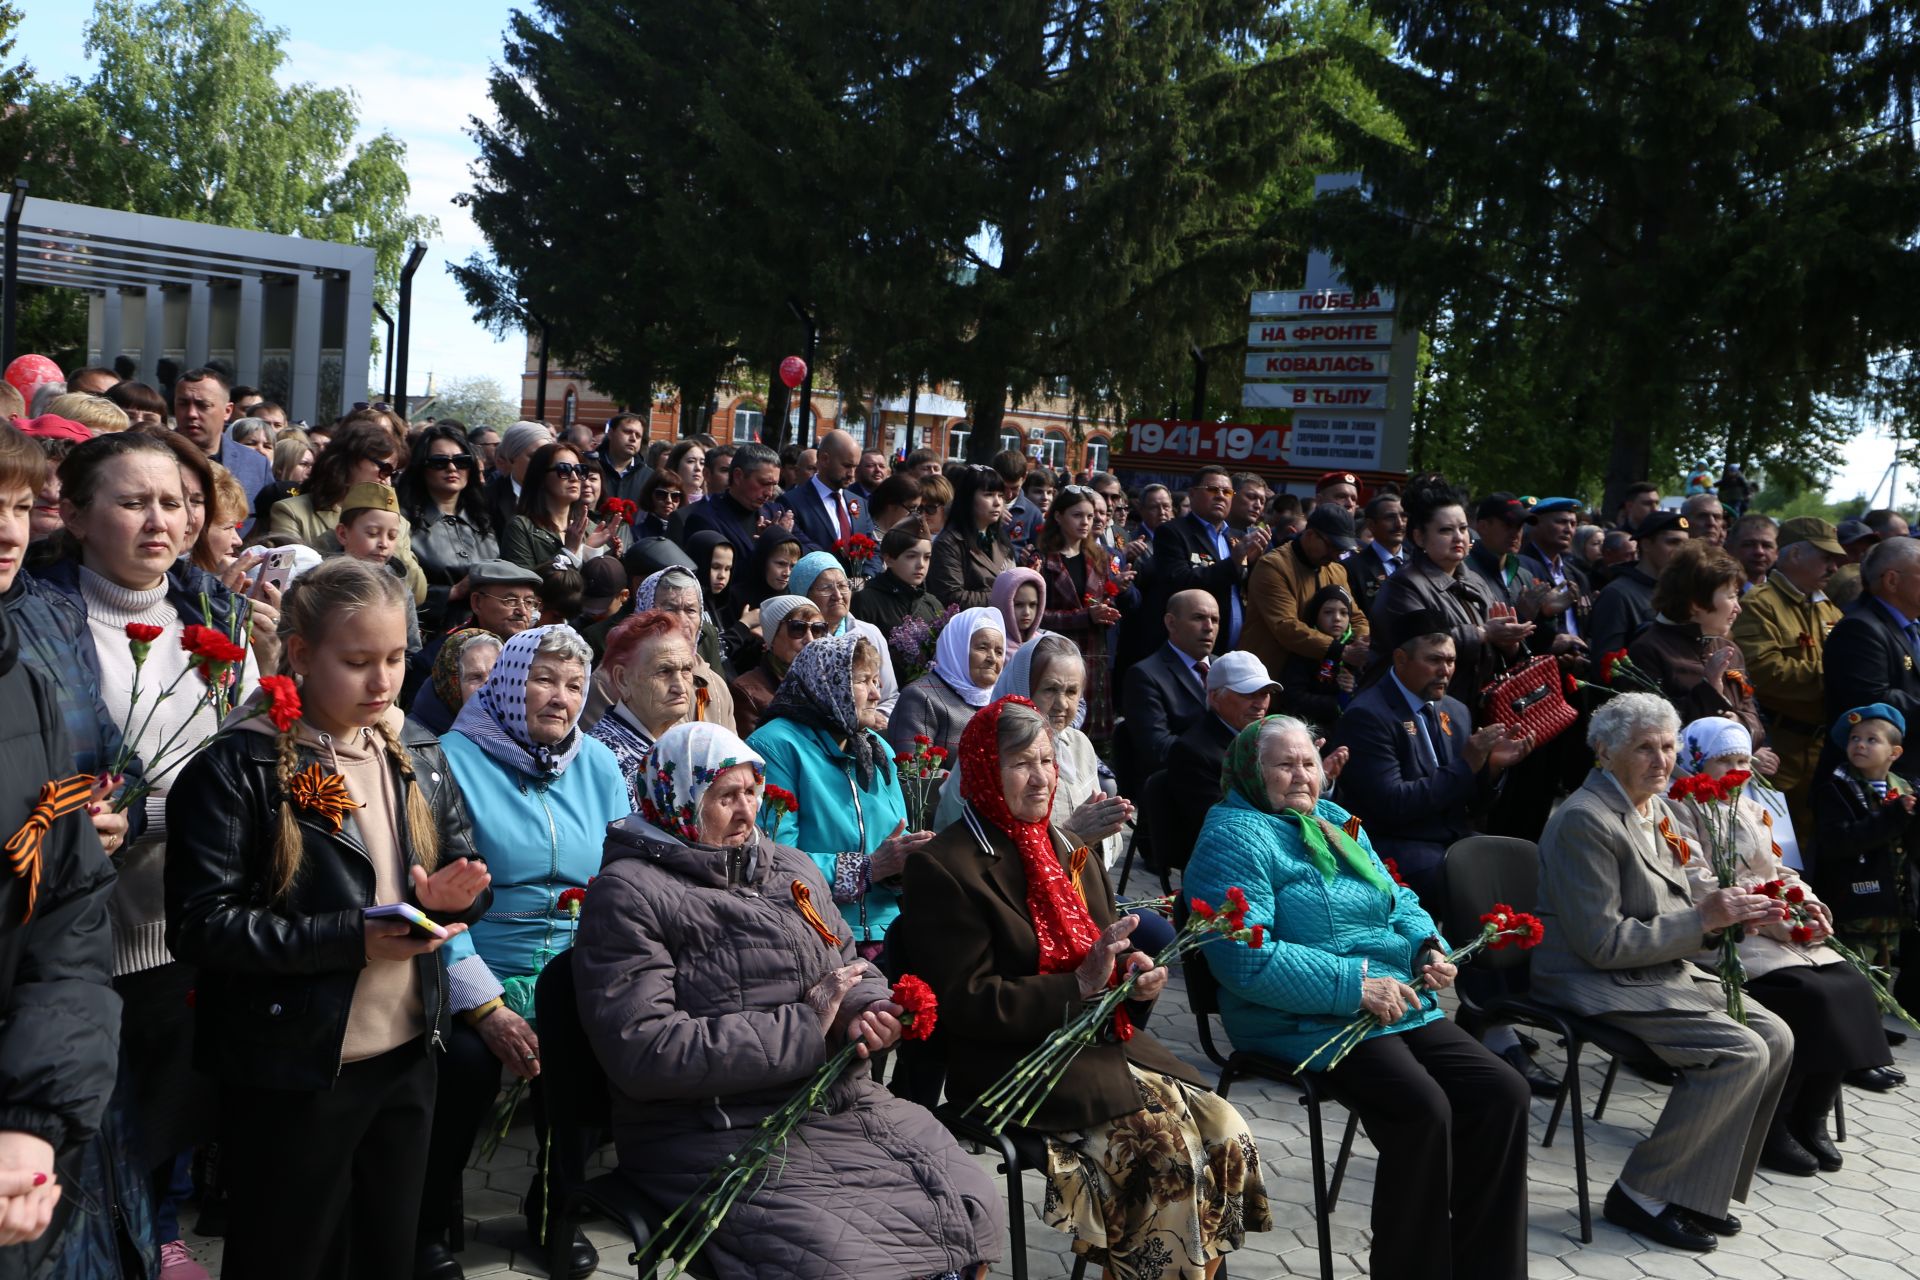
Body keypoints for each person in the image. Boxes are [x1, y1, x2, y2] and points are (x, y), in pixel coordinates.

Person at [572, 721, 1000, 1278]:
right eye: (725, 797)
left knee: (970, 1204)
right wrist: (806, 1024)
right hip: (713, 1129)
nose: (747, 812)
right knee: (839, 1256)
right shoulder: (629, 893)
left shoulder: (790, 869)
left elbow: (846, 967)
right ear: (678, 800)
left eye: (751, 791)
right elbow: (646, 1052)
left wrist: (866, 1012)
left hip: (839, 1103)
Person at [165, 558, 492, 1280]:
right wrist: (351, 937)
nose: (383, 681)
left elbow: (463, 869)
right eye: (358, 662)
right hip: (298, 1066)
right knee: (289, 1253)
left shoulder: (419, 754)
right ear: (302, 654)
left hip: (407, 1053)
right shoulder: (239, 767)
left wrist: (455, 900)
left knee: (385, 1252)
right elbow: (201, 925)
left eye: (398, 658)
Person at [906, 697, 1270, 1275]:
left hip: (1095, 1048)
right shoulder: (947, 866)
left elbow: (1108, 949)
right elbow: (967, 1003)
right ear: (983, 769)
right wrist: (1078, 985)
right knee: (1166, 1157)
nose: (1041, 776)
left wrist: (1135, 977)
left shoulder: (1063, 846)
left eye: (1049, 760)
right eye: (1022, 762)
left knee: (1226, 1129)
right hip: (1014, 1064)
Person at [1184, 714, 1527, 1280]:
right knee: (1423, 1109)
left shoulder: (1338, 820)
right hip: (1299, 1015)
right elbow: (1245, 958)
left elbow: (1401, 901)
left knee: (1502, 1091)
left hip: (1390, 1003)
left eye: (1308, 763)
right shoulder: (1233, 833)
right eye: (1284, 764)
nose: (1301, 776)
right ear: (1251, 771)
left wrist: (1426, 947)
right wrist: (1354, 986)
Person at [1533, 693, 1793, 1253]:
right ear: (1603, 752)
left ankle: (1698, 1190)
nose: (1662, 760)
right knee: (1741, 1051)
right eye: (1644, 748)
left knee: (1777, 1035)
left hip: (1653, 966)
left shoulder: (1658, 807)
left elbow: (1689, 895)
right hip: (1591, 977)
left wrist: (1744, 909)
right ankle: (1640, 1191)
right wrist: (1704, 920)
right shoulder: (1585, 819)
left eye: (1670, 747)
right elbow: (1601, 943)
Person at [422, 625, 629, 1279]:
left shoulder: (594, 763)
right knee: (464, 1063)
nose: (560, 699)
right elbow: (430, 900)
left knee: (604, 1043)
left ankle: (554, 1208)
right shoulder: (449, 760)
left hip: (574, 967)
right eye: (543, 680)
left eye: (574, 686)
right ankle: (426, 1221)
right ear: (511, 684)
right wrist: (484, 1006)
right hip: (472, 961)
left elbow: (623, 879)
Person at [1668, 716, 1893, 1173]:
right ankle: (1771, 1124)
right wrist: (1775, 915)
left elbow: (1781, 870)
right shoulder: (1677, 807)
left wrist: (1808, 905)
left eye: (1744, 761)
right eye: (1725, 761)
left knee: (1851, 983)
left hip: (1777, 926)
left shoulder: (1750, 807)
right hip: (1730, 934)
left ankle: (1811, 1115)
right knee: (1807, 995)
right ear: (1695, 760)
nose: (1738, 772)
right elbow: (1696, 881)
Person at [1327, 611, 1532, 910]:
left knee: (1519, 869)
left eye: (1450, 661)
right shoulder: (1369, 715)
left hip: (1452, 838)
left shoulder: (1456, 710)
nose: (1445, 670)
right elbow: (1392, 805)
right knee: (1465, 885)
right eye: (1434, 660)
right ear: (1400, 659)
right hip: (1393, 841)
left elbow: (1473, 806)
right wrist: (1466, 766)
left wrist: (1490, 768)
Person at [747, 634, 931, 953]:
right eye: (863, 681)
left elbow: (894, 837)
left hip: (889, 929)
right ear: (826, 684)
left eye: (877, 680)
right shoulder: (775, 746)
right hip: (817, 931)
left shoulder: (876, 748)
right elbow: (774, 862)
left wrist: (907, 858)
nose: (876, 693)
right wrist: (867, 868)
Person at [1808, 704, 1920, 1032]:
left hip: (1891, 903)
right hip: (1854, 902)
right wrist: (1894, 816)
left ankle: (1870, 1027)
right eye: (1854, 738)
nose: (1860, 744)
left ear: (1894, 752)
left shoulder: (1905, 788)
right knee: (1854, 969)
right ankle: (1851, 1039)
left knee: (1881, 967)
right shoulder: (1836, 789)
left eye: (1872, 740)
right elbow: (1841, 841)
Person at [1730, 517, 1846, 826]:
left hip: (1821, 748)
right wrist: (1839, 676)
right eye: (1826, 558)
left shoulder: (1828, 608)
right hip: (1780, 751)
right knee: (1776, 846)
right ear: (1795, 554)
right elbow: (1763, 672)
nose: (1834, 568)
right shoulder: (1760, 604)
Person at [1373, 483, 1531, 691]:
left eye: (1463, 528)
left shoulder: (1475, 580)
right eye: (1446, 530)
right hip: (1416, 707)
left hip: (1472, 707)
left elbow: (1500, 649)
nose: (1459, 537)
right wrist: (1483, 633)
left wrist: (1509, 643)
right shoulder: (1403, 585)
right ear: (1419, 537)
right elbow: (1419, 649)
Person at [1629, 540, 1772, 758]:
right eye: (1731, 596)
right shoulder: (1648, 650)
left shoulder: (1728, 648)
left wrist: (1740, 729)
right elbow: (1651, 732)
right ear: (1696, 603)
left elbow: (1752, 715)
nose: (1738, 608)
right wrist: (1709, 689)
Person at [269, 421, 427, 601]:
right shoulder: (292, 512)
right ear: (350, 460)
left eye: (393, 473)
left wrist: (390, 537)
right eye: (384, 469)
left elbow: (419, 593)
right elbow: (285, 583)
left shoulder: (398, 521)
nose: (387, 481)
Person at [1165, 652, 1285, 875]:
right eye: (1249, 693)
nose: (1260, 704)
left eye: (1265, 693)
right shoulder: (1193, 751)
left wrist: (1314, 777)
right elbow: (1220, 825)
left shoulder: (1271, 739)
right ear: (1215, 696)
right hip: (1230, 862)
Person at [1036, 484, 1128, 749]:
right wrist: (1084, 616)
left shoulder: (1098, 555)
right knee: (1054, 729)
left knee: (1090, 738)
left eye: (1089, 516)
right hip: (1057, 651)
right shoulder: (1043, 558)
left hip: (1093, 652)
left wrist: (1108, 607)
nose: (1086, 522)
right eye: (1077, 515)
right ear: (1058, 516)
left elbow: (1101, 598)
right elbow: (1038, 615)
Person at [1823, 536, 1920, 784]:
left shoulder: (1913, 625)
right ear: (1892, 580)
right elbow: (1873, 700)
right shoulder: (1859, 628)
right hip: (1869, 783)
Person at [406, 560, 543, 727]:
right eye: (510, 600)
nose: (522, 611)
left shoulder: (535, 655)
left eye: (529, 602)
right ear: (477, 603)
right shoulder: (436, 659)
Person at [1241, 503, 1369, 679]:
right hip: (1267, 676)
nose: (1335, 555)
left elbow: (1356, 617)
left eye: (1341, 549)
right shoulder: (1273, 566)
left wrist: (1362, 643)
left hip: (1318, 682)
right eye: (1331, 546)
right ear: (1309, 535)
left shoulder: (1337, 570)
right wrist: (1341, 651)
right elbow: (1286, 627)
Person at [1150, 466, 1267, 652]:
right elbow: (1179, 582)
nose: (1221, 496)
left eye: (1227, 491)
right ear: (1192, 494)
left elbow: (1246, 591)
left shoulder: (1236, 537)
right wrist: (1233, 562)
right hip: (1189, 646)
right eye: (1213, 490)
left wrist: (1252, 564)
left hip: (1233, 647)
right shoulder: (1172, 532)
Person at [587, 610, 698, 805]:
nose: (680, 687)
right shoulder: (598, 760)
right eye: (664, 671)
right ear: (622, 680)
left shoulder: (689, 743)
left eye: (686, 669)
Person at [397, 424, 498, 637]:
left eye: (461, 461)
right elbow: (392, 587)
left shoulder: (485, 516)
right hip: (430, 637)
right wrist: (451, 593)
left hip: (488, 635)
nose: (452, 468)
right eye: (439, 462)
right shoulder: (402, 521)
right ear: (421, 468)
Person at [1119, 589, 1218, 787]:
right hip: (1180, 788)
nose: (1209, 627)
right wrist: (1226, 754)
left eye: (1215, 620)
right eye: (1199, 618)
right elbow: (1157, 749)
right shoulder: (1145, 675)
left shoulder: (1226, 668)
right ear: (1171, 623)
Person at [886, 606, 1005, 760]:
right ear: (957, 649)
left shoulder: (1001, 701)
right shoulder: (921, 697)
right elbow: (915, 772)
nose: (992, 658)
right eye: (982, 648)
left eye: (999, 652)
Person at [788, 551, 898, 716]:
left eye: (842, 586)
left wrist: (877, 715)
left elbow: (890, 696)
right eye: (826, 588)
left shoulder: (870, 632)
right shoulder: (801, 639)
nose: (838, 596)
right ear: (805, 594)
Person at [1589, 509, 1692, 655]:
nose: (1682, 551)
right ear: (1646, 545)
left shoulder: (1681, 591)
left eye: (1685, 545)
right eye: (1673, 542)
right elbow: (1607, 663)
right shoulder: (1617, 595)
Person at [500, 443, 615, 571]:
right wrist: (569, 552)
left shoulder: (589, 527)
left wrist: (592, 550)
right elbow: (523, 587)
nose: (575, 477)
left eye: (579, 470)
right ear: (541, 477)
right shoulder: (521, 527)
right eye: (564, 470)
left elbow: (602, 586)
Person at [334, 482, 421, 652]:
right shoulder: (324, 584)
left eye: (392, 536)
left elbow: (412, 652)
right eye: (372, 533)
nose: (384, 544)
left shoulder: (401, 591)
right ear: (343, 534)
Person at [727, 595, 825, 737]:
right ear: (772, 639)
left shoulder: (830, 685)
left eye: (818, 629)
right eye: (797, 628)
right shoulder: (746, 693)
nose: (809, 640)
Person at [679, 443, 782, 563]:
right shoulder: (704, 519)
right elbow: (715, 574)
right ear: (738, 476)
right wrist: (767, 548)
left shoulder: (777, 513)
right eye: (764, 483)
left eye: (774, 485)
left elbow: (806, 554)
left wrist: (783, 539)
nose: (769, 493)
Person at [928, 464, 1015, 607]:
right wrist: (1005, 595)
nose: (997, 502)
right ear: (968, 499)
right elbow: (950, 596)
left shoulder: (999, 539)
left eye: (1000, 495)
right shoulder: (949, 543)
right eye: (988, 495)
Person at [777, 428, 871, 553]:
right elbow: (796, 550)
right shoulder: (791, 503)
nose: (852, 474)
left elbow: (873, 547)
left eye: (855, 467)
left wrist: (867, 573)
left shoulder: (859, 503)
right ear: (824, 459)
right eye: (847, 466)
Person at [1277, 584, 1357, 726]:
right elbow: (1293, 697)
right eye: (1328, 612)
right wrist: (1335, 703)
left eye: (1344, 613)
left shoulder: (1357, 648)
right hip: (1313, 727)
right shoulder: (1306, 649)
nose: (1337, 618)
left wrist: (1353, 687)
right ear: (1316, 615)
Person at [849, 520, 941, 636]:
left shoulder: (933, 604)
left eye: (927, 557)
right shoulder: (865, 601)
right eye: (911, 556)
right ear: (889, 560)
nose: (921, 564)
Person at [412, 628, 502, 735]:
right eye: (475, 677)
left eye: (495, 675)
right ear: (451, 685)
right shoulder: (417, 739)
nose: (489, 687)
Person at [482, 422, 555, 538]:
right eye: (534, 456)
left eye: (548, 457)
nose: (543, 463)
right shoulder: (487, 499)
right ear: (512, 458)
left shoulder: (558, 494)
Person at [1347, 491, 1407, 615]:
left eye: (1404, 516)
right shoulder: (1351, 568)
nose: (1399, 524)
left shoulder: (1417, 563)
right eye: (1390, 517)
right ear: (1371, 525)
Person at [592, 413, 649, 508]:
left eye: (638, 435)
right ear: (610, 433)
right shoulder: (591, 467)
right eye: (627, 432)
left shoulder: (649, 477)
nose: (633, 438)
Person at [990, 565, 1047, 656]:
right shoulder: (993, 649)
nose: (1027, 612)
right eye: (1018, 605)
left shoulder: (1042, 645)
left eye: (1032, 605)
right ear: (1002, 604)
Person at [1730, 514, 1779, 591]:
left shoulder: (1784, 597)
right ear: (1731, 548)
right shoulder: (1716, 595)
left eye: (1766, 545)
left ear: (1777, 552)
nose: (1759, 551)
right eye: (1749, 545)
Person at [633, 469, 682, 540]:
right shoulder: (635, 534)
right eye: (661, 494)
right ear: (649, 496)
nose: (669, 500)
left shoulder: (684, 534)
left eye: (675, 496)